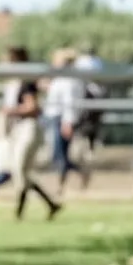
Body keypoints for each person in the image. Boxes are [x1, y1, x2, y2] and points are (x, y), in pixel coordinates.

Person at [1, 46, 60, 220]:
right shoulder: (15, 83)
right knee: (21, 171)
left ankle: (20, 211)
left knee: (20, 169)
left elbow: (32, 107)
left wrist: (12, 111)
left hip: (28, 127)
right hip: (18, 128)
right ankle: (50, 204)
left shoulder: (26, 82)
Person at [44, 48, 88, 190]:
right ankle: (70, 178)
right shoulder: (62, 78)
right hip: (55, 117)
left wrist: (67, 122)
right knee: (59, 154)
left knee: (60, 155)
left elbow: (69, 102)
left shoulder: (69, 80)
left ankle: (63, 183)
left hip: (61, 119)